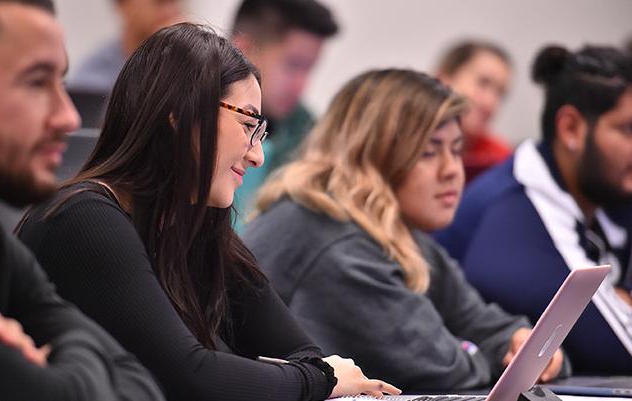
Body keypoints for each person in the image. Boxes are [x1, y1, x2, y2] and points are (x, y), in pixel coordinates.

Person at [17, 22, 399, 401]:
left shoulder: (198, 227)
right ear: (179, 115)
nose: (257, 154)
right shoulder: (84, 219)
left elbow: (302, 354)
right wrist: (319, 380)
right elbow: (192, 377)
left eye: (261, 132)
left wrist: (304, 376)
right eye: (248, 124)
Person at [243, 69, 567, 393]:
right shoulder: (334, 238)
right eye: (428, 152)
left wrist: (521, 344)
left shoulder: (392, 232)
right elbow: (442, 368)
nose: (451, 171)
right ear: (369, 154)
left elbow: (480, 322)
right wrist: (498, 356)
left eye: (455, 149)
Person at [0, 1, 165, 400]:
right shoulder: (85, 213)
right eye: (36, 82)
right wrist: (67, 366)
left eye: (61, 80)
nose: (69, 118)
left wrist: (58, 363)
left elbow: (142, 387)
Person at [435, 45, 632, 373]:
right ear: (570, 128)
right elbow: (619, 349)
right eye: (628, 130)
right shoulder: (515, 213)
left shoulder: (609, 187)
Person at [230, 0, 338, 228]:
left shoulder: (309, 133)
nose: (302, 85)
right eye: (293, 65)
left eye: (310, 68)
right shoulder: (184, 115)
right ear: (243, 49)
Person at [436, 40, 513, 182]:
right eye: (483, 83)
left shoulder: (502, 160)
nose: (490, 103)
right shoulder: (402, 146)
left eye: (500, 93)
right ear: (443, 79)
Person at [66, 0, 184, 92]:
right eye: (160, 2)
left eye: (175, 2)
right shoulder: (90, 80)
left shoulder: (189, 62)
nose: (171, 12)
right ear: (123, 5)